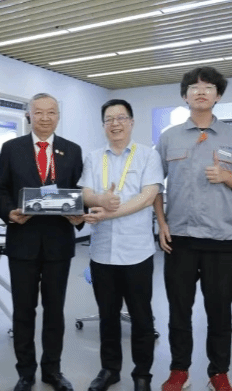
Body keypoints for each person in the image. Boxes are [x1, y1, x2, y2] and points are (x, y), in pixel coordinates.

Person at [155, 66, 232, 391]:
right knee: (179, 311)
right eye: (194, 88)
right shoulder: (169, 137)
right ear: (185, 96)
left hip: (220, 239)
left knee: (220, 312)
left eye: (209, 87)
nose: (201, 92)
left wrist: (226, 177)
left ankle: (218, 373)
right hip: (180, 239)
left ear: (218, 95)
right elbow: (154, 184)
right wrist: (161, 222)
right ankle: (179, 371)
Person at [0, 93, 84, 391]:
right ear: (28, 115)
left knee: (55, 311)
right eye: (39, 112)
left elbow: (80, 191)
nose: (45, 118)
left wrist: (79, 216)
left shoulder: (72, 150)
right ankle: (26, 372)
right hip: (23, 240)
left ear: (58, 116)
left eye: (51, 112)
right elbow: (0, 190)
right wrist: (9, 212)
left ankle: (52, 371)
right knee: (23, 311)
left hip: (59, 242)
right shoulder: (12, 148)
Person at [79, 99, 164, 391]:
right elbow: (86, 193)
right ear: (103, 125)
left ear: (131, 122)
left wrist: (110, 212)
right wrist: (99, 200)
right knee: (108, 317)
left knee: (141, 318)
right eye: (109, 119)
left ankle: (142, 375)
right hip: (102, 252)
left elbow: (148, 196)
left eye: (121, 118)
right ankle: (109, 370)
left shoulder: (148, 156)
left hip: (136, 252)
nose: (115, 124)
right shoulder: (94, 157)